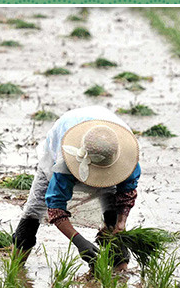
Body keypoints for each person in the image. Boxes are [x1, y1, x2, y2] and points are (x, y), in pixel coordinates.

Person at [11, 106, 140, 265]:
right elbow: (55, 207)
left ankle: (118, 274)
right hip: (65, 139)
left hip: (106, 135)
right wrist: (79, 242)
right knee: (32, 214)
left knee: (113, 221)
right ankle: (16, 270)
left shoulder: (127, 160)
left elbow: (126, 192)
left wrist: (122, 221)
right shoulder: (64, 164)